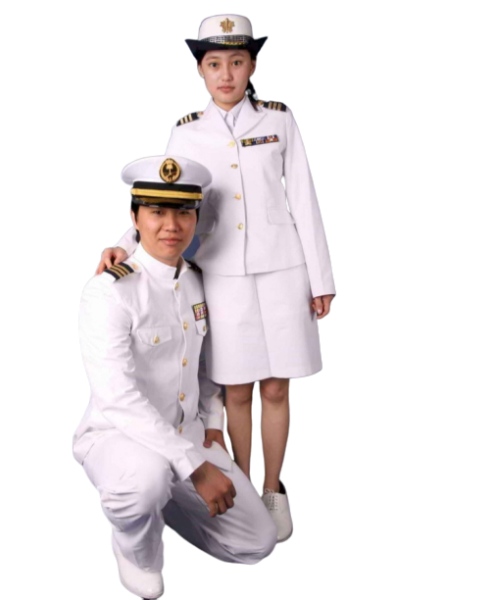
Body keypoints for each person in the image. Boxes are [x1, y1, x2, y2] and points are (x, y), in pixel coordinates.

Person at [95, 14, 337, 545]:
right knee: (237, 391)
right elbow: (164, 197)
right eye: (214, 64)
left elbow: (304, 196)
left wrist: (322, 278)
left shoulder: (279, 120)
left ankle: (272, 489)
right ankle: (245, 486)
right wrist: (124, 245)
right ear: (200, 72)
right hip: (222, 272)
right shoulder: (186, 131)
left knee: (277, 387)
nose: (226, 75)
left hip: (284, 269)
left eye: (236, 62)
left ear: (253, 66)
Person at [74, 155, 277, 600]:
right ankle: (136, 547)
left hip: (187, 435)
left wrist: (214, 424)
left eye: (184, 212)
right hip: (118, 435)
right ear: (134, 218)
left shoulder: (198, 281)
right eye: (156, 211)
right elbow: (116, 396)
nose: (172, 225)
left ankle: (161, 504)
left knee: (256, 544)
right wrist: (195, 468)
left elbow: (205, 369)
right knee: (144, 481)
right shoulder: (109, 291)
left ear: (196, 218)